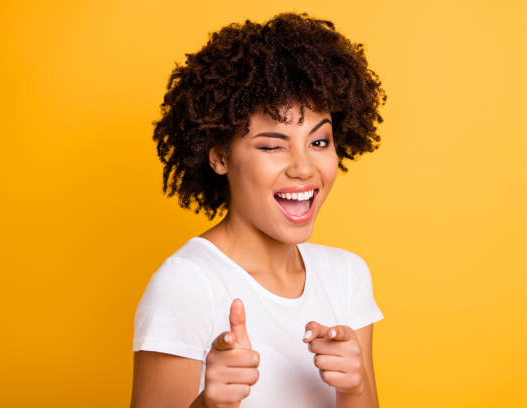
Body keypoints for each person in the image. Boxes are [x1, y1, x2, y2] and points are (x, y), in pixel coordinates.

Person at [130, 11, 387, 408]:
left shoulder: (347, 276)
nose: (304, 168)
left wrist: (355, 390)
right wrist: (208, 405)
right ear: (218, 156)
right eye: (272, 145)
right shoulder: (187, 284)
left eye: (319, 142)